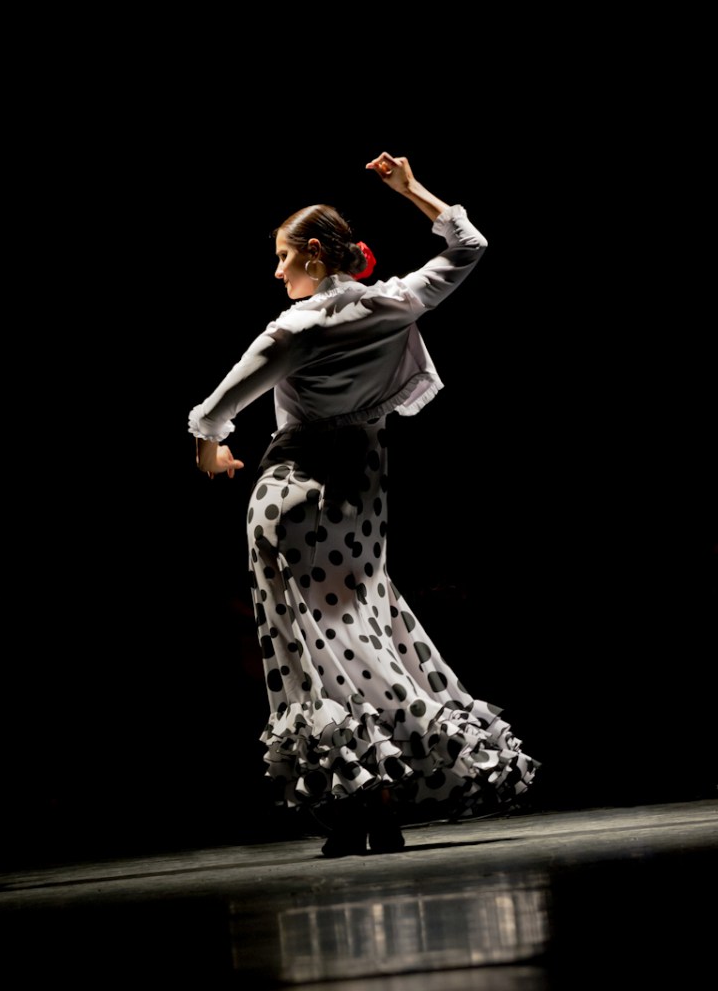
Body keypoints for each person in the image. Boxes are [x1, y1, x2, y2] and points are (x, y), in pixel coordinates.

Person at [188, 152, 538, 856]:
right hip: (359, 498)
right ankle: (372, 794)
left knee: (311, 644)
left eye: (284, 257)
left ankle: (359, 795)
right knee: (357, 628)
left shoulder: (294, 331)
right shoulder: (396, 301)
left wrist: (211, 453)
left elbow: (213, 411)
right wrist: (411, 189)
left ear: (316, 254)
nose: (277, 272)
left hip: (292, 498)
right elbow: (469, 245)